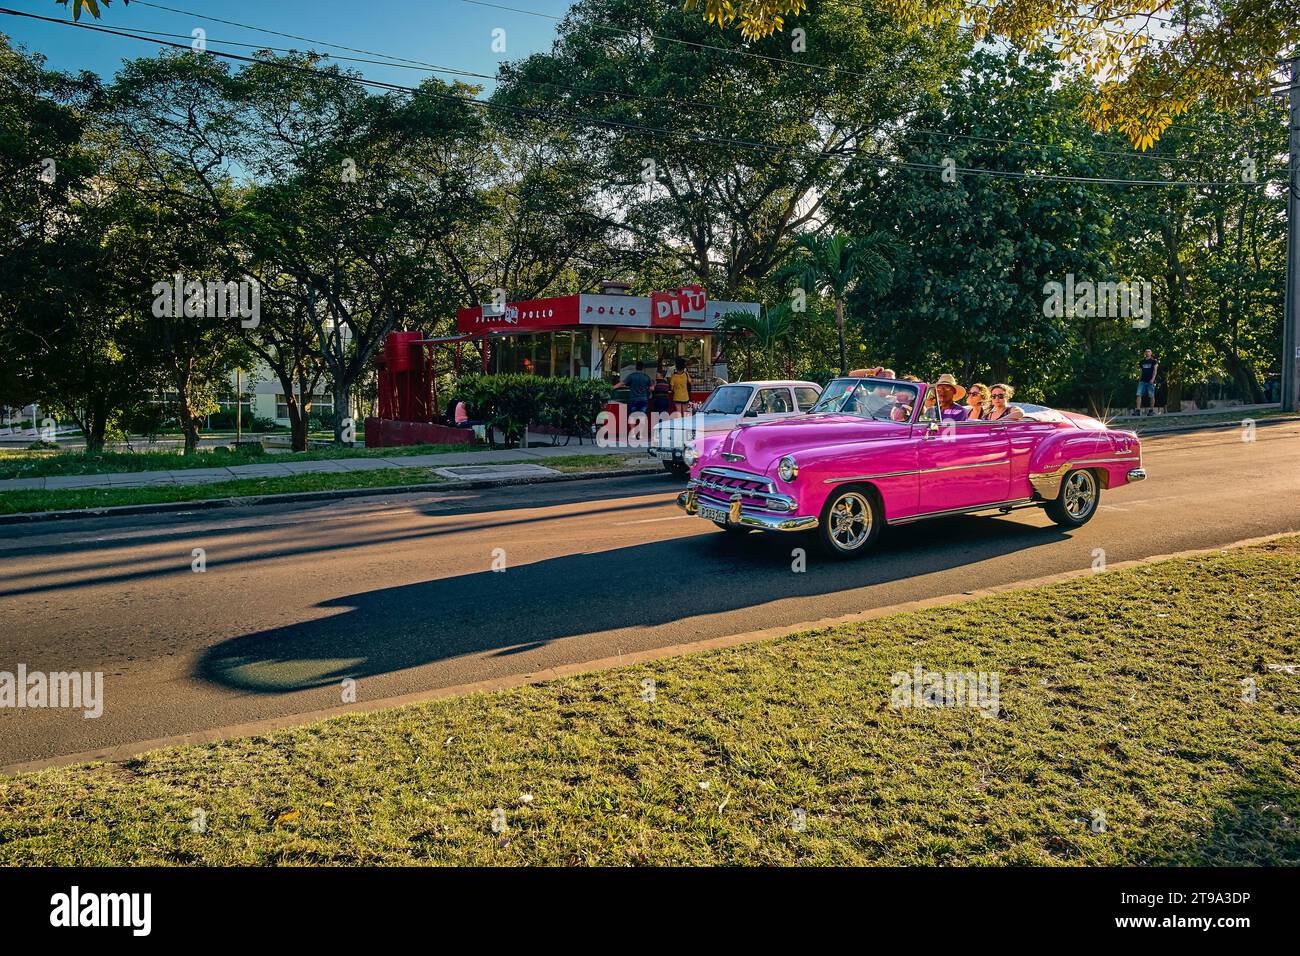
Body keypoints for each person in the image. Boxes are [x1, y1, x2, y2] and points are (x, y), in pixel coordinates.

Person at [1134, 349, 1159, 416]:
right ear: (1145, 353)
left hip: (1150, 381)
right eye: (1146, 351)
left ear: (1151, 353)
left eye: (1149, 351)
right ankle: (1138, 411)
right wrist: (1139, 380)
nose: (1147, 352)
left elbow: (1155, 371)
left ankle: (1151, 411)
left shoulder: (1154, 361)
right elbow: (1141, 371)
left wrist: (1153, 379)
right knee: (1138, 394)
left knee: (1151, 396)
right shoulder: (1142, 362)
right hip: (1142, 381)